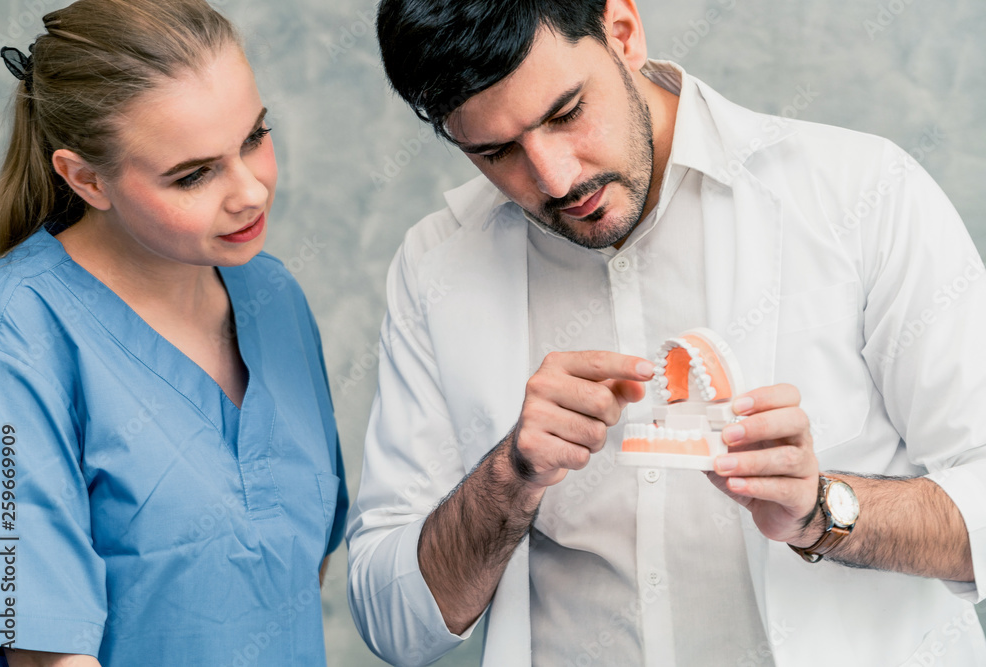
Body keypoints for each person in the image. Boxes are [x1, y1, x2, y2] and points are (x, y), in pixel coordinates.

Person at [346, 0, 986, 665]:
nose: (556, 178)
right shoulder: (435, 269)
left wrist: (821, 510)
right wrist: (509, 476)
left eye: (566, 113)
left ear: (622, 32)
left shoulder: (862, 197)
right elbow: (394, 624)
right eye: (497, 150)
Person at [0, 0, 347, 664]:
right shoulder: (14, 332)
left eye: (255, 137)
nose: (251, 192)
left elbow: (292, 570)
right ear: (85, 178)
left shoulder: (275, 296)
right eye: (194, 174)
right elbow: (39, 645)